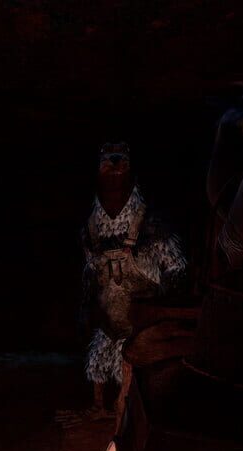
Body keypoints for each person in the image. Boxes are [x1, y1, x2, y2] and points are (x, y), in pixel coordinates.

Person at [72, 141, 186, 420]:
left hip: (142, 321)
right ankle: (99, 406)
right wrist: (86, 307)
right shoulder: (91, 227)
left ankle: (126, 408)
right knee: (100, 353)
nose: (113, 168)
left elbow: (177, 267)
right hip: (110, 317)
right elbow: (90, 272)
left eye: (119, 161)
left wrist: (160, 308)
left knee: (134, 363)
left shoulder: (149, 222)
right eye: (107, 162)